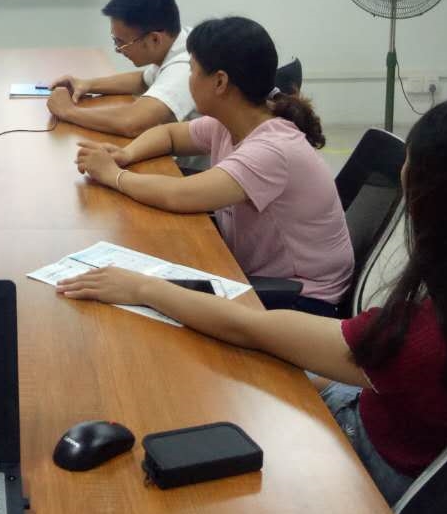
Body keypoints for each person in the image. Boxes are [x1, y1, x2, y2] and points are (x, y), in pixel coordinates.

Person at [60, 95, 447, 504]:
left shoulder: (421, 338)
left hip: (374, 456)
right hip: (403, 421)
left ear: (441, 195)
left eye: (413, 161)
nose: (405, 171)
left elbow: (253, 328)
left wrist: (144, 287)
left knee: (190, 389)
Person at [75, 16, 351, 313]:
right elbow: (169, 135)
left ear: (220, 82)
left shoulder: (272, 150)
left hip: (300, 299)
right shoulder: (234, 121)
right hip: (258, 273)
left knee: (141, 300)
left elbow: (180, 195)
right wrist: (126, 154)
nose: (188, 79)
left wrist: (113, 175)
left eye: (192, 70)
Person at [46, 0, 194, 138]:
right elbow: (143, 80)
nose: (117, 49)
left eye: (122, 42)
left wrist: (68, 111)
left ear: (154, 39)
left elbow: (132, 123)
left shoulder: (185, 67)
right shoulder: (181, 40)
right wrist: (86, 84)